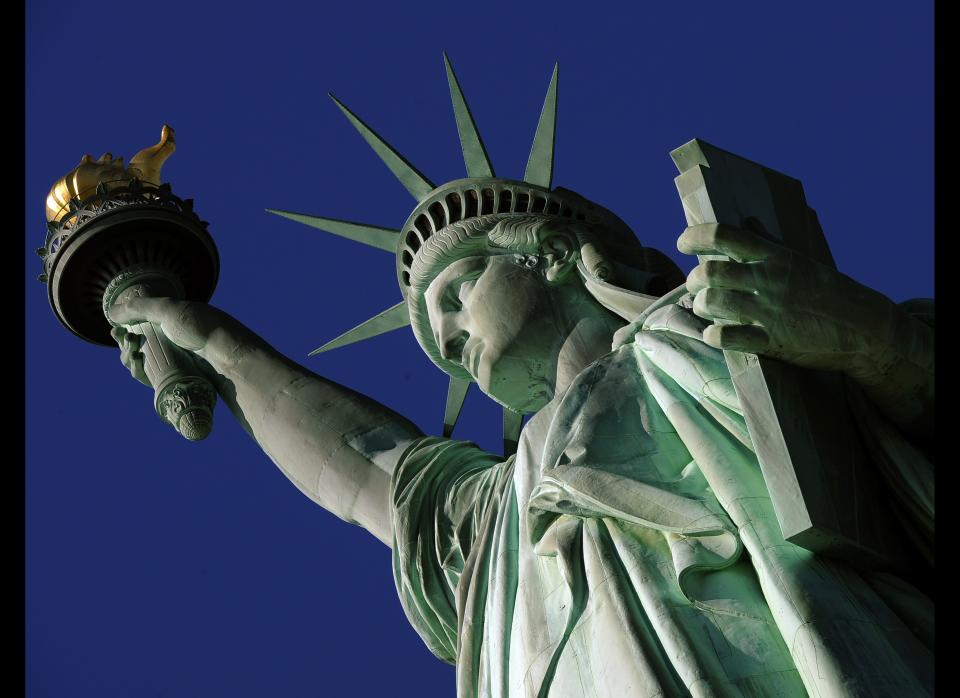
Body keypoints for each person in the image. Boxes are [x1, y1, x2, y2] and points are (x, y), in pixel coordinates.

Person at [105, 63, 933, 697]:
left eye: (456, 295)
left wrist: (870, 337)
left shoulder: (727, 323)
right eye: (434, 335)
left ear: (550, 253)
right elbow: (365, 464)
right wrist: (201, 335)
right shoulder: (502, 503)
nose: (448, 335)